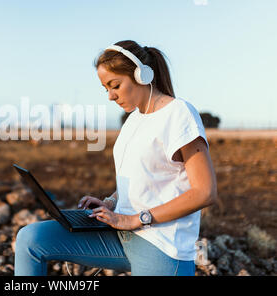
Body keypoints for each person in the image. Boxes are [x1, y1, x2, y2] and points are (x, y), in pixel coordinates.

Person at [14, 40, 217, 276]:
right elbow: (143, 177)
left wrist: (136, 219)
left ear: (141, 75)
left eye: (115, 85)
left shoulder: (179, 114)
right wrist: (110, 202)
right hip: (119, 233)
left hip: (160, 243)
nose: (110, 96)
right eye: (105, 89)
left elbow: (205, 192)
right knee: (30, 239)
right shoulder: (134, 120)